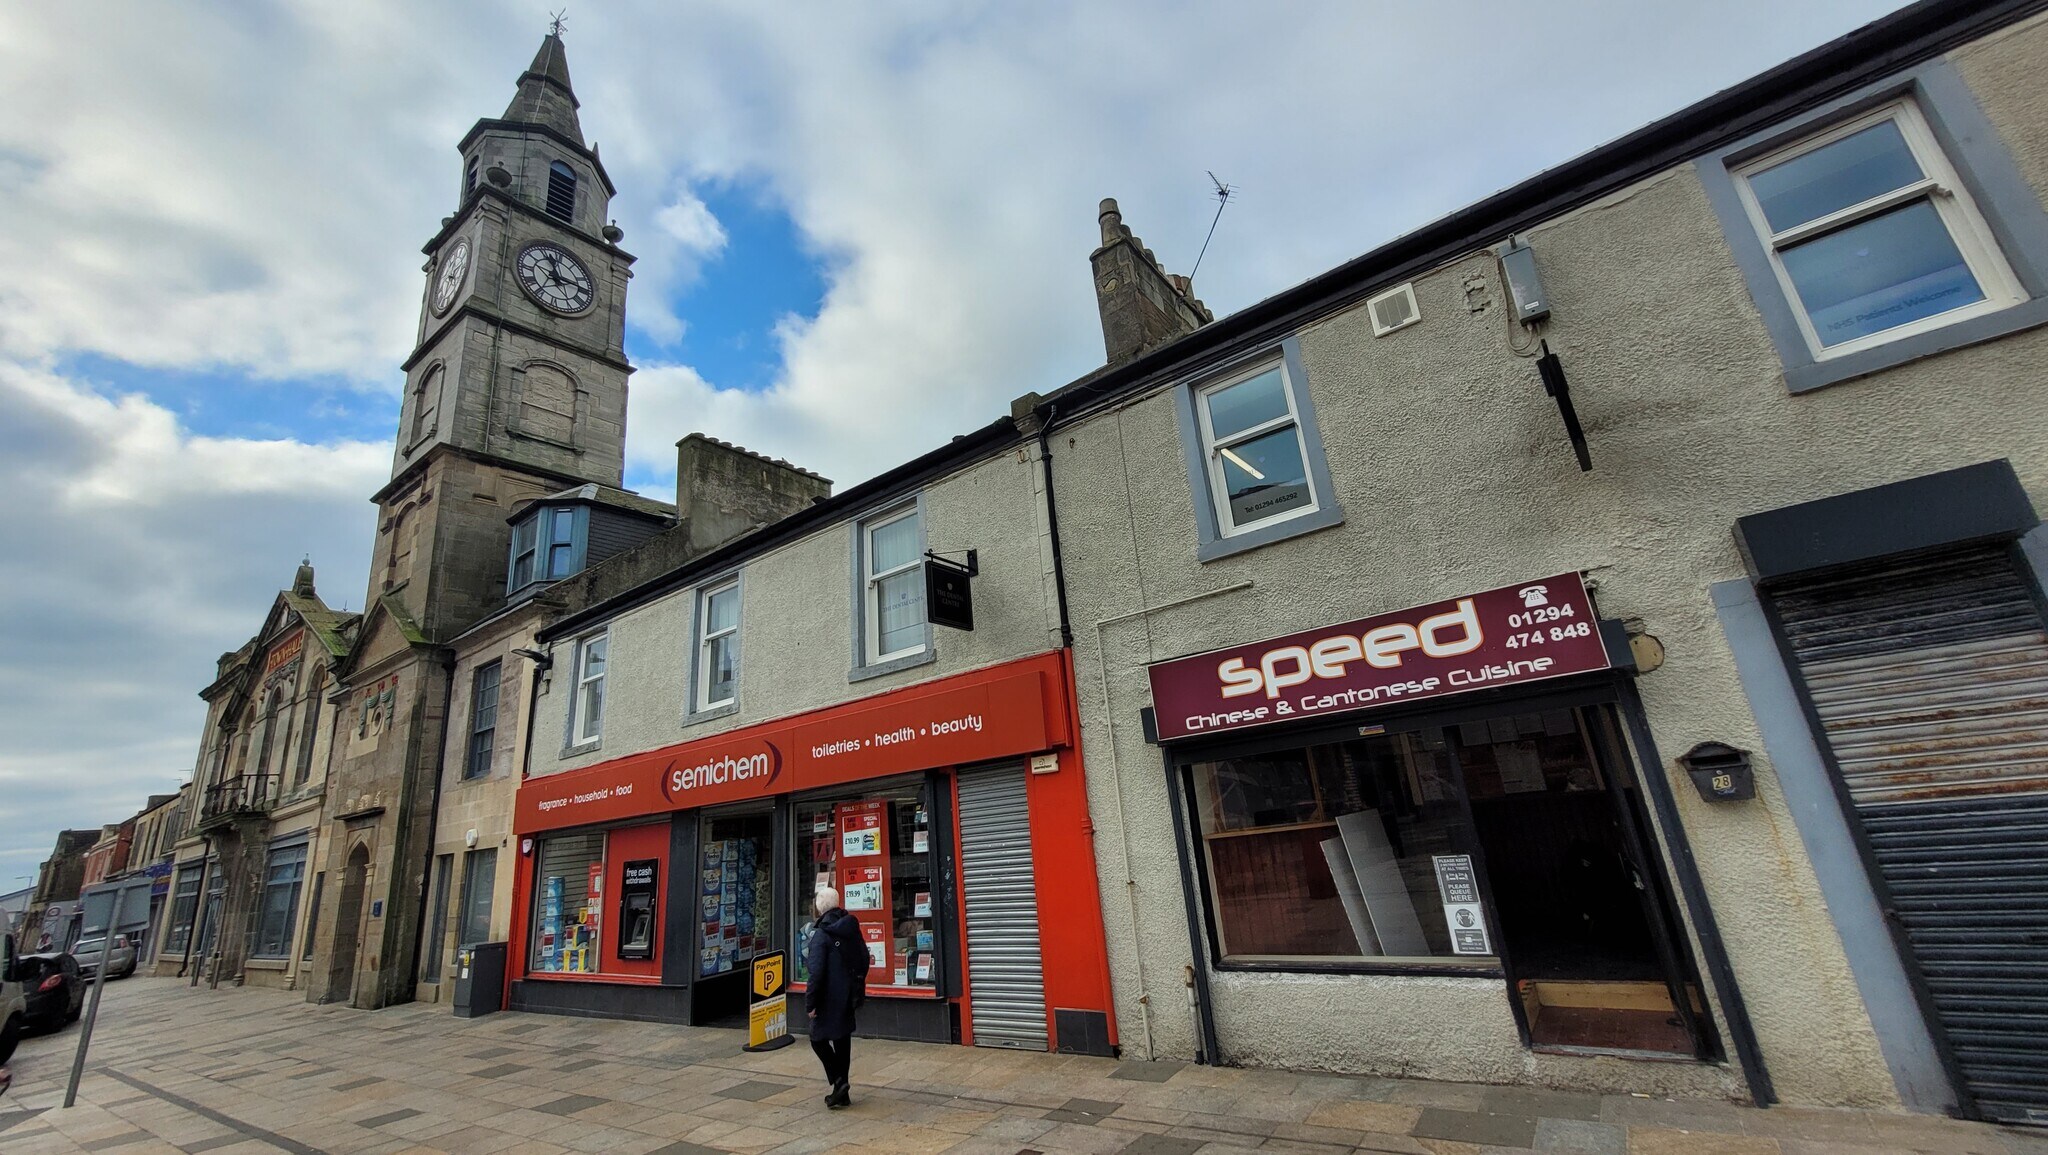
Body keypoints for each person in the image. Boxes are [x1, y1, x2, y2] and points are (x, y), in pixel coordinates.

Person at [803, 886, 862, 1109]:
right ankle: (842, 1093)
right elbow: (863, 958)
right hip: (848, 995)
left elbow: (815, 973)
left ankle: (839, 1080)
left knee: (817, 1040)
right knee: (842, 1040)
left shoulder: (822, 935)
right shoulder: (851, 927)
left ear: (819, 908)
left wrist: (811, 1003)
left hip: (828, 999)